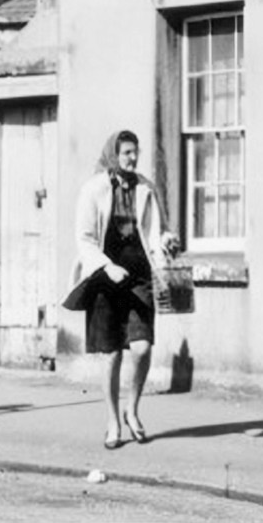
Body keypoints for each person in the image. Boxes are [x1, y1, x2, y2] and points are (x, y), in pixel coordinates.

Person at [73, 129, 177, 451]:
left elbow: (156, 230)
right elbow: (85, 239)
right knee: (112, 355)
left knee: (142, 348)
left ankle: (132, 409)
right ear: (113, 155)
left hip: (140, 277)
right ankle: (113, 420)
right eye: (127, 153)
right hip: (105, 280)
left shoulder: (146, 188)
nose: (133, 158)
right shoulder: (93, 189)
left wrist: (167, 240)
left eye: (135, 152)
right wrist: (107, 267)